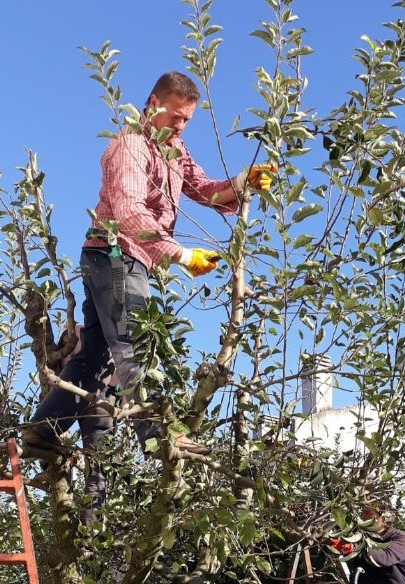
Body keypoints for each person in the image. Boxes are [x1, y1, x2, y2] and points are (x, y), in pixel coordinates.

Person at [23, 71, 274, 524]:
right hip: (115, 254)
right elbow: (129, 211)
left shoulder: (173, 149)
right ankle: (158, 436)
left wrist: (243, 182)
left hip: (132, 259)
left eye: (187, 121)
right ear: (154, 102)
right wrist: (178, 253)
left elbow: (204, 188)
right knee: (135, 342)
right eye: (176, 117)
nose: (181, 127)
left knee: (96, 351)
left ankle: (43, 428)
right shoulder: (130, 145)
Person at [328, 506, 405, 584]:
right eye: (363, 512)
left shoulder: (400, 538)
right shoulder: (363, 538)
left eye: (368, 513)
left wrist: (352, 548)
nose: (363, 517)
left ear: (384, 518)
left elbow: (385, 557)